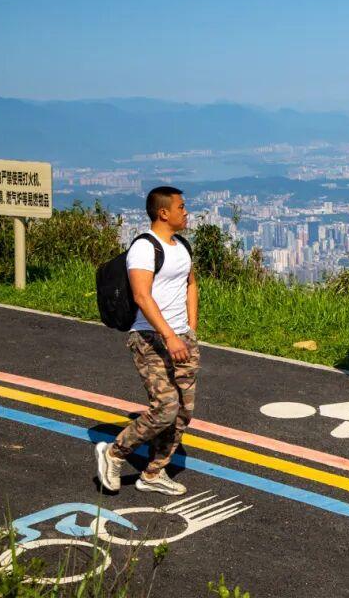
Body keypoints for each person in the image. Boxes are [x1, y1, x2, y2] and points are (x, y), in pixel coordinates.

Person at [95, 186, 199, 496]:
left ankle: (154, 473)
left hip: (182, 338)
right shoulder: (144, 247)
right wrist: (169, 335)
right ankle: (114, 452)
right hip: (150, 337)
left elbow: (191, 285)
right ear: (163, 212)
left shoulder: (182, 246)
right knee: (165, 407)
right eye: (181, 207)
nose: (186, 212)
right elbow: (142, 296)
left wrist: (190, 330)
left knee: (182, 413)